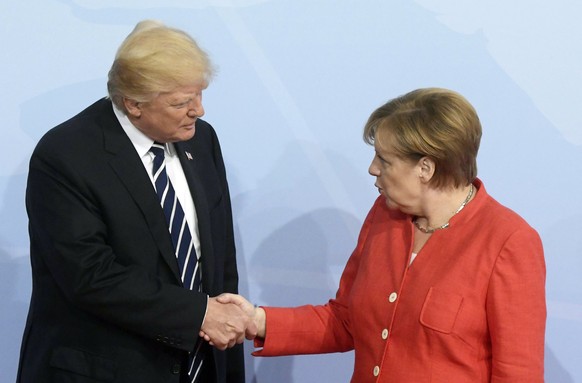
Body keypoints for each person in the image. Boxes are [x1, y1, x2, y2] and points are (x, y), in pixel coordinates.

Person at [216, 88, 546, 382]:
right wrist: (256, 320)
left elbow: (518, 374)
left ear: (425, 168)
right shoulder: (384, 216)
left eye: (384, 159)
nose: (373, 168)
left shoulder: (509, 242)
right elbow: (345, 320)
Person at [17, 20, 255, 383]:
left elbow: (218, 258)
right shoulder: (66, 155)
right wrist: (199, 315)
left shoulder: (200, 140)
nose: (199, 111)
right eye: (182, 102)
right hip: (107, 369)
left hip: (199, 366)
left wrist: (227, 356)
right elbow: (91, 277)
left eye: (200, 95)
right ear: (134, 104)